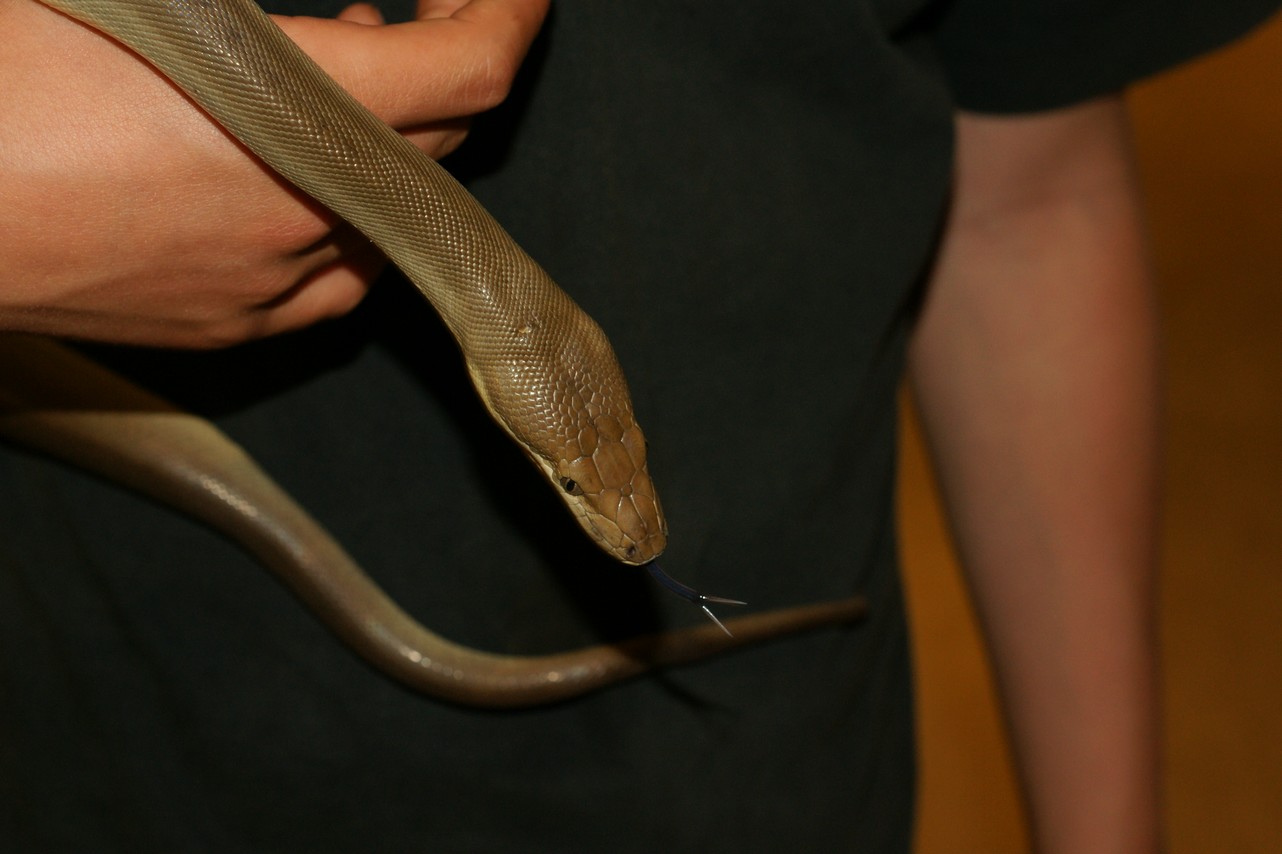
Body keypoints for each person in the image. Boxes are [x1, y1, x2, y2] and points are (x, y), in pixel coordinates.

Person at [0, 0, 1275, 850]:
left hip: (761, 773)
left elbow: (1028, 190)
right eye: (573, 478)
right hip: (88, 735)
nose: (614, 517)